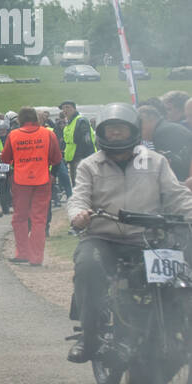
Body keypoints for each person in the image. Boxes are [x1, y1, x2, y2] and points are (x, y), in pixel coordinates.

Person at [66, 104, 192, 363]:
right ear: (101, 133)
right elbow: (78, 198)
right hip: (103, 238)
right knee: (88, 266)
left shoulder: (156, 162)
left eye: (120, 130)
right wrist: (78, 215)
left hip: (148, 240)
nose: (115, 135)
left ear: (133, 131)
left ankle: (167, 329)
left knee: (178, 275)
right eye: (110, 130)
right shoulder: (89, 165)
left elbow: (177, 196)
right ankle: (89, 336)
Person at [1, 104, 62, 266]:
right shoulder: (48, 134)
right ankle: (36, 258)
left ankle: (22, 253)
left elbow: (5, 159)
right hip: (42, 179)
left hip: (20, 181)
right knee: (39, 220)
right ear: (36, 118)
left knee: (19, 218)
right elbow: (57, 158)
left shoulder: (13, 135)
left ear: (20, 119)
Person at [59, 100, 95, 186]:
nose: (65, 110)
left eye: (67, 107)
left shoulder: (81, 120)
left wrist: (84, 159)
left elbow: (87, 141)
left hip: (81, 158)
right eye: (63, 108)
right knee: (77, 185)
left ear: (74, 109)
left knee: (81, 185)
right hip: (73, 159)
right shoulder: (69, 123)